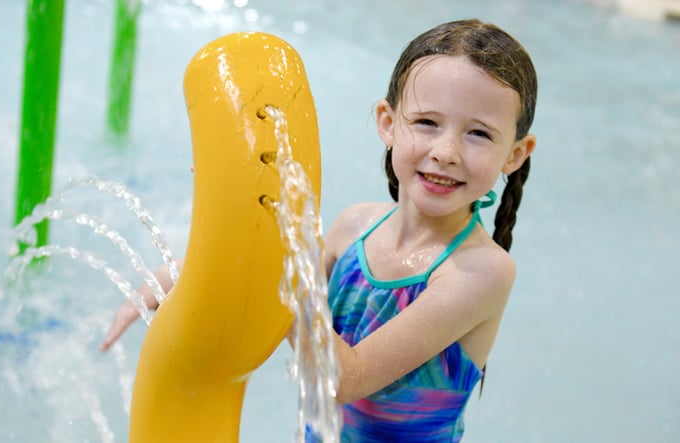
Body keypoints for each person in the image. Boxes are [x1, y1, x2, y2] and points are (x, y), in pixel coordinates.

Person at [101, 18, 537, 443]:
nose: (445, 152)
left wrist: (268, 234)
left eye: (478, 133)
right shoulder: (355, 227)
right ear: (388, 122)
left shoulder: (480, 272)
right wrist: (187, 271)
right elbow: (273, 302)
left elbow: (341, 377)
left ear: (515, 154)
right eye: (426, 123)